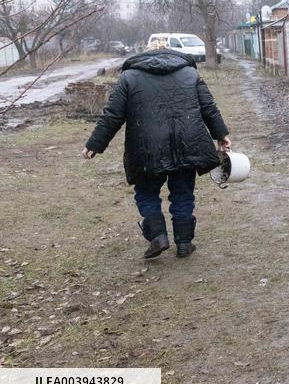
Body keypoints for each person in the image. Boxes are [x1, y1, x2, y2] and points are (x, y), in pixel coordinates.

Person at [81, 48, 231, 259]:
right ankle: (184, 243)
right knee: (183, 192)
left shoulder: (128, 77)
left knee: (146, 192)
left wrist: (95, 143)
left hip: (146, 147)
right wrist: (221, 134)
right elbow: (209, 108)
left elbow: (113, 115)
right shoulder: (190, 73)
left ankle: (158, 237)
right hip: (187, 144)